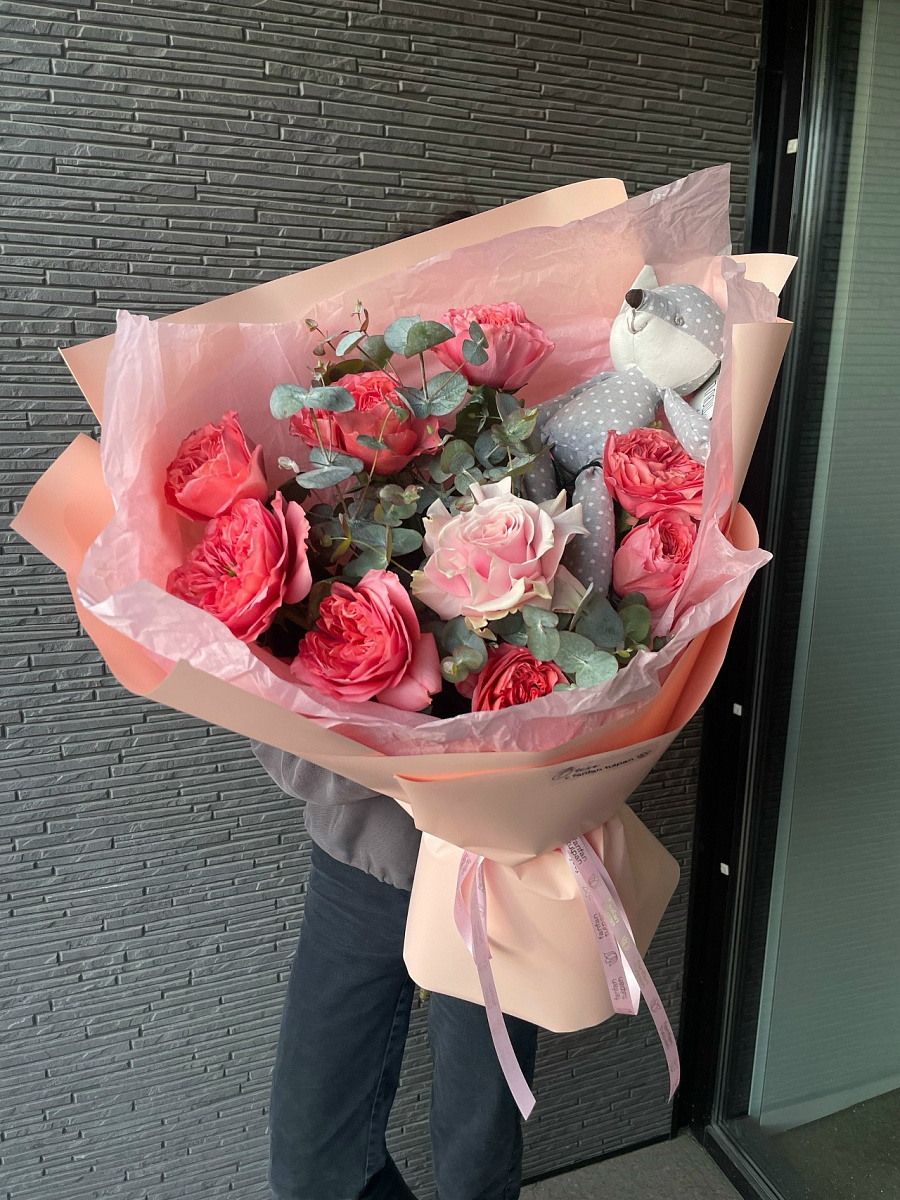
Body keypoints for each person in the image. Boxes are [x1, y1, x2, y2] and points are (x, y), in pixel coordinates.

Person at [254, 749, 538, 1200]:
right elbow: (287, 753)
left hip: (499, 875)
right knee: (312, 1167)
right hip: (359, 872)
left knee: (476, 1168)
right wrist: (423, 748)